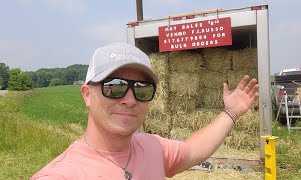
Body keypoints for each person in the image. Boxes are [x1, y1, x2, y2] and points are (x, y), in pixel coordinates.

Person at [31, 42, 259, 180]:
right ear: (87, 95)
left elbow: (193, 150)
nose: (130, 100)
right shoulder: (62, 174)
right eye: (115, 87)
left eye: (142, 89)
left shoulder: (152, 147)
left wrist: (230, 113)